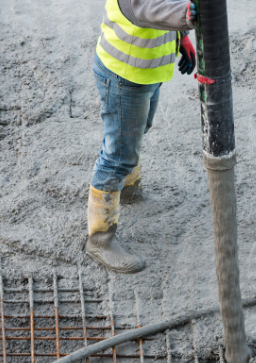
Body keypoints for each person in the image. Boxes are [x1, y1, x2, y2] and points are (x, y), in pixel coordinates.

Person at [87, 0, 198, 273]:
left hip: (146, 71)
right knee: (118, 157)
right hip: (124, 74)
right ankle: (100, 239)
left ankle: (127, 189)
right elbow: (142, 7)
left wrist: (180, 36)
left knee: (137, 131)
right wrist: (183, 16)